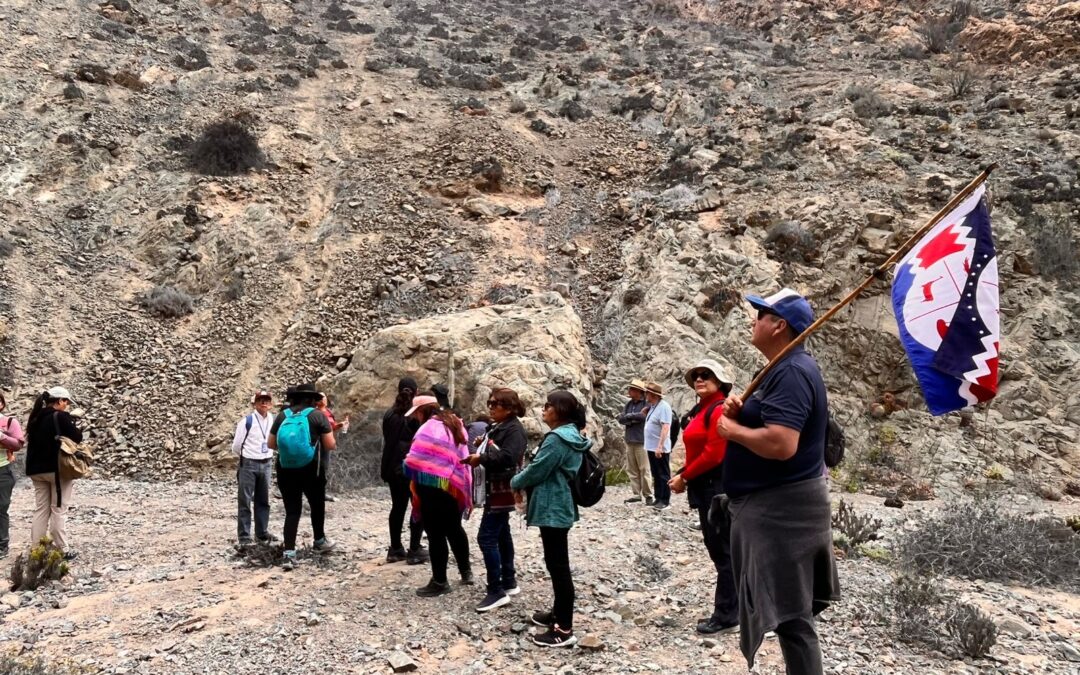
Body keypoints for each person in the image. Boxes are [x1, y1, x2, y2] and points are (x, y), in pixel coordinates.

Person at [717, 289, 841, 675]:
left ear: (779, 325)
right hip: (778, 506)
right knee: (791, 613)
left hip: (783, 511)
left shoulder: (791, 372)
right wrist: (742, 410)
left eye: (761, 314)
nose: (752, 320)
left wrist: (732, 430)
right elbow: (772, 421)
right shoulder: (782, 368)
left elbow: (782, 443)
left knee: (792, 617)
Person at [510, 390, 589, 648]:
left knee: (558, 566)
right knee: (556, 563)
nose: (544, 409)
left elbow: (538, 469)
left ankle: (563, 629)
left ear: (560, 411)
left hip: (552, 505)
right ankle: (557, 614)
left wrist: (515, 481)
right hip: (559, 503)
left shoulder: (557, 438)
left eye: (548, 405)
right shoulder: (571, 435)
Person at [668, 359, 738, 635]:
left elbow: (714, 454)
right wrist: (684, 474)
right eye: (696, 375)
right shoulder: (703, 409)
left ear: (719, 381)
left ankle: (727, 615)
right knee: (721, 547)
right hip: (707, 485)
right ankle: (735, 609)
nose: (699, 379)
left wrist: (685, 477)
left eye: (706, 375)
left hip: (716, 487)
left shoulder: (719, 409)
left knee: (723, 550)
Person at [462, 388, 528, 612]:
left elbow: (508, 457)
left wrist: (481, 457)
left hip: (501, 490)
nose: (490, 407)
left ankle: (495, 591)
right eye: (489, 403)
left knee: (486, 538)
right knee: (502, 534)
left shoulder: (514, 430)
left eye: (495, 404)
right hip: (496, 489)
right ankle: (508, 581)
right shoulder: (500, 426)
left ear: (508, 408)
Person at [403, 393, 473, 597]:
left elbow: (415, 459)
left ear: (422, 411)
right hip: (453, 486)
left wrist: (406, 464)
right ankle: (466, 572)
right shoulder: (455, 423)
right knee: (454, 529)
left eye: (416, 413)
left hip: (432, 488)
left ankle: (440, 581)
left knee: (435, 534)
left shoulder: (427, 428)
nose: (415, 417)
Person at [269, 383, 336, 569]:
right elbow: (330, 444)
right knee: (316, 505)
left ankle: (289, 553)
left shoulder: (283, 415)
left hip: (285, 469)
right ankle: (319, 541)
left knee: (292, 511)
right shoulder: (317, 415)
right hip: (311, 469)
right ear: (312, 399)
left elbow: (271, 444)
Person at [24, 387, 82, 558]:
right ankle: (62, 549)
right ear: (59, 401)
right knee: (58, 509)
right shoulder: (60, 417)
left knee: (41, 509)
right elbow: (77, 437)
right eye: (66, 402)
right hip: (56, 469)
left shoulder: (35, 417)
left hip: (36, 470)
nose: (67, 405)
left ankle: (37, 549)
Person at [381, 377, 428, 564]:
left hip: (392, 467)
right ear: (416, 392)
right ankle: (414, 549)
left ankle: (395, 548)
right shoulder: (416, 414)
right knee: (418, 506)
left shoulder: (389, 414)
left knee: (397, 506)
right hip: (413, 467)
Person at [231, 390, 277, 546]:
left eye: (266, 400)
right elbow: (236, 446)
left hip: (266, 462)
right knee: (245, 500)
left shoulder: (273, 420)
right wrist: (248, 456)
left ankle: (262, 533)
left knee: (263, 500)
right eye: (260, 400)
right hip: (249, 463)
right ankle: (244, 537)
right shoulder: (246, 421)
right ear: (255, 403)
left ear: (271, 404)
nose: (264, 403)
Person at [616, 379, 652, 505]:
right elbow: (621, 419)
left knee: (644, 469)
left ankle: (648, 495)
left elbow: (643, 417)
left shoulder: (646, 404)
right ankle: (636, 494)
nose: (629, 391)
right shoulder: (629, 404)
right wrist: (633, 417)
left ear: (638, 391)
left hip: (642, 441)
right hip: (630, 440)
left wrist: (629, 417)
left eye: (631, 389)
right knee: (632, 469)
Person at [1, 392, 27, 557]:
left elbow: (18, 444)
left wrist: (1, 436)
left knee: (1, 507)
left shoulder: (9, 422)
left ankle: (2, 545)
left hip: (3, 469)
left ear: (2, 403)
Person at [642, 382, 673, 510]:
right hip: (651, 446)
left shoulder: (664, 407)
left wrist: (660, 446)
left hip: (659, 447)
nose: (645, 395)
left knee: (663, 474)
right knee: (656, 473)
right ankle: (658, 498)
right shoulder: (653, 406)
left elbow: (665, 427)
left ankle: (665, 500)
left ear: (653, 395)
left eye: (647, 393)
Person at [315, 393, 347, 502]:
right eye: (320, 398)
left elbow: (331, 427)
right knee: (317, 468)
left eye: (324, 397)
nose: (322, 399)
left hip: (327, 444)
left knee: (324, 467)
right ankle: (315, 493)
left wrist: (340, 425)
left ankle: (321, 492)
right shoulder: (315, 412)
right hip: (318, 444)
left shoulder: (328, 412)